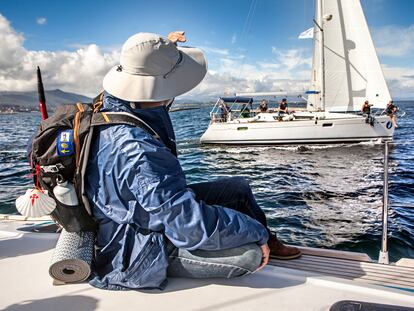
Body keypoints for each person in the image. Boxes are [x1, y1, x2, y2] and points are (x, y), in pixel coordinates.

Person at [85, 32, 300, 291]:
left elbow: (144, 74)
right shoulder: (139, 150)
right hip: (138, 248)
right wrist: (255, 231)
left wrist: (162, 50)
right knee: (249, 256)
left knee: (238, 188)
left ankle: (267, 241)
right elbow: (188, 225)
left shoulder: (117, 104)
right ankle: (263, 241)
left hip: (144, 211)